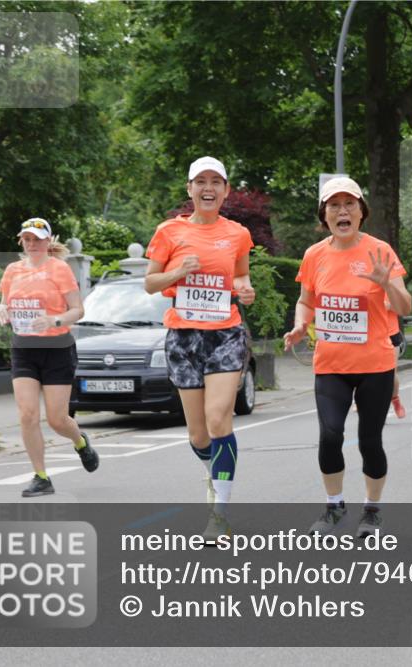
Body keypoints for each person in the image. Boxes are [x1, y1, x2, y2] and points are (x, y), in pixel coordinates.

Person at [284, 177, 411, 538]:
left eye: (349, 204)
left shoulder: (380, 251)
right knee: (330, 434)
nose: (342, 211)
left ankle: (372, 510)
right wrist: (299, 325)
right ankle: (334, 506)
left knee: (370, 441)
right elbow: (306, 299)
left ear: (361, 211)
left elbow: (404, 305)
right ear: (324, 215)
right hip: (331, 365)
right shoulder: (314, 255)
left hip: (375, 364)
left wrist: (386, 282)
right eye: (334, 205)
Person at [145, 157, 255, 540]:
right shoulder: (169, 231)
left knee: (219, 419)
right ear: (190, 189)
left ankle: (219, 514)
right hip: (184, 335)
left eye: (216, 182)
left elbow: (241, 273)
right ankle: (215, 474)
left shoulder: (238, 233)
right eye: (201, 182)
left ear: (226, 190)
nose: (208, 188)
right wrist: (178, 272)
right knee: (198, 435)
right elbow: (150, 283)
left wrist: (245, 288)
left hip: (225, 332)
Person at [0, 218, 99, 497]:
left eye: (38, 239)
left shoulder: (60, 269)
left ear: (48, 241)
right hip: (23, 349)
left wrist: (54, 321)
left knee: (57, 419)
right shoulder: (12, 270)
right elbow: (4, 302)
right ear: (21, 242)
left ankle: (79, 441)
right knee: (27, 415)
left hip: (57, 350)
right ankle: (41, 477)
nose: (32, 244)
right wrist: (1, 310)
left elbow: (78, 310)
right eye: (27, 239)